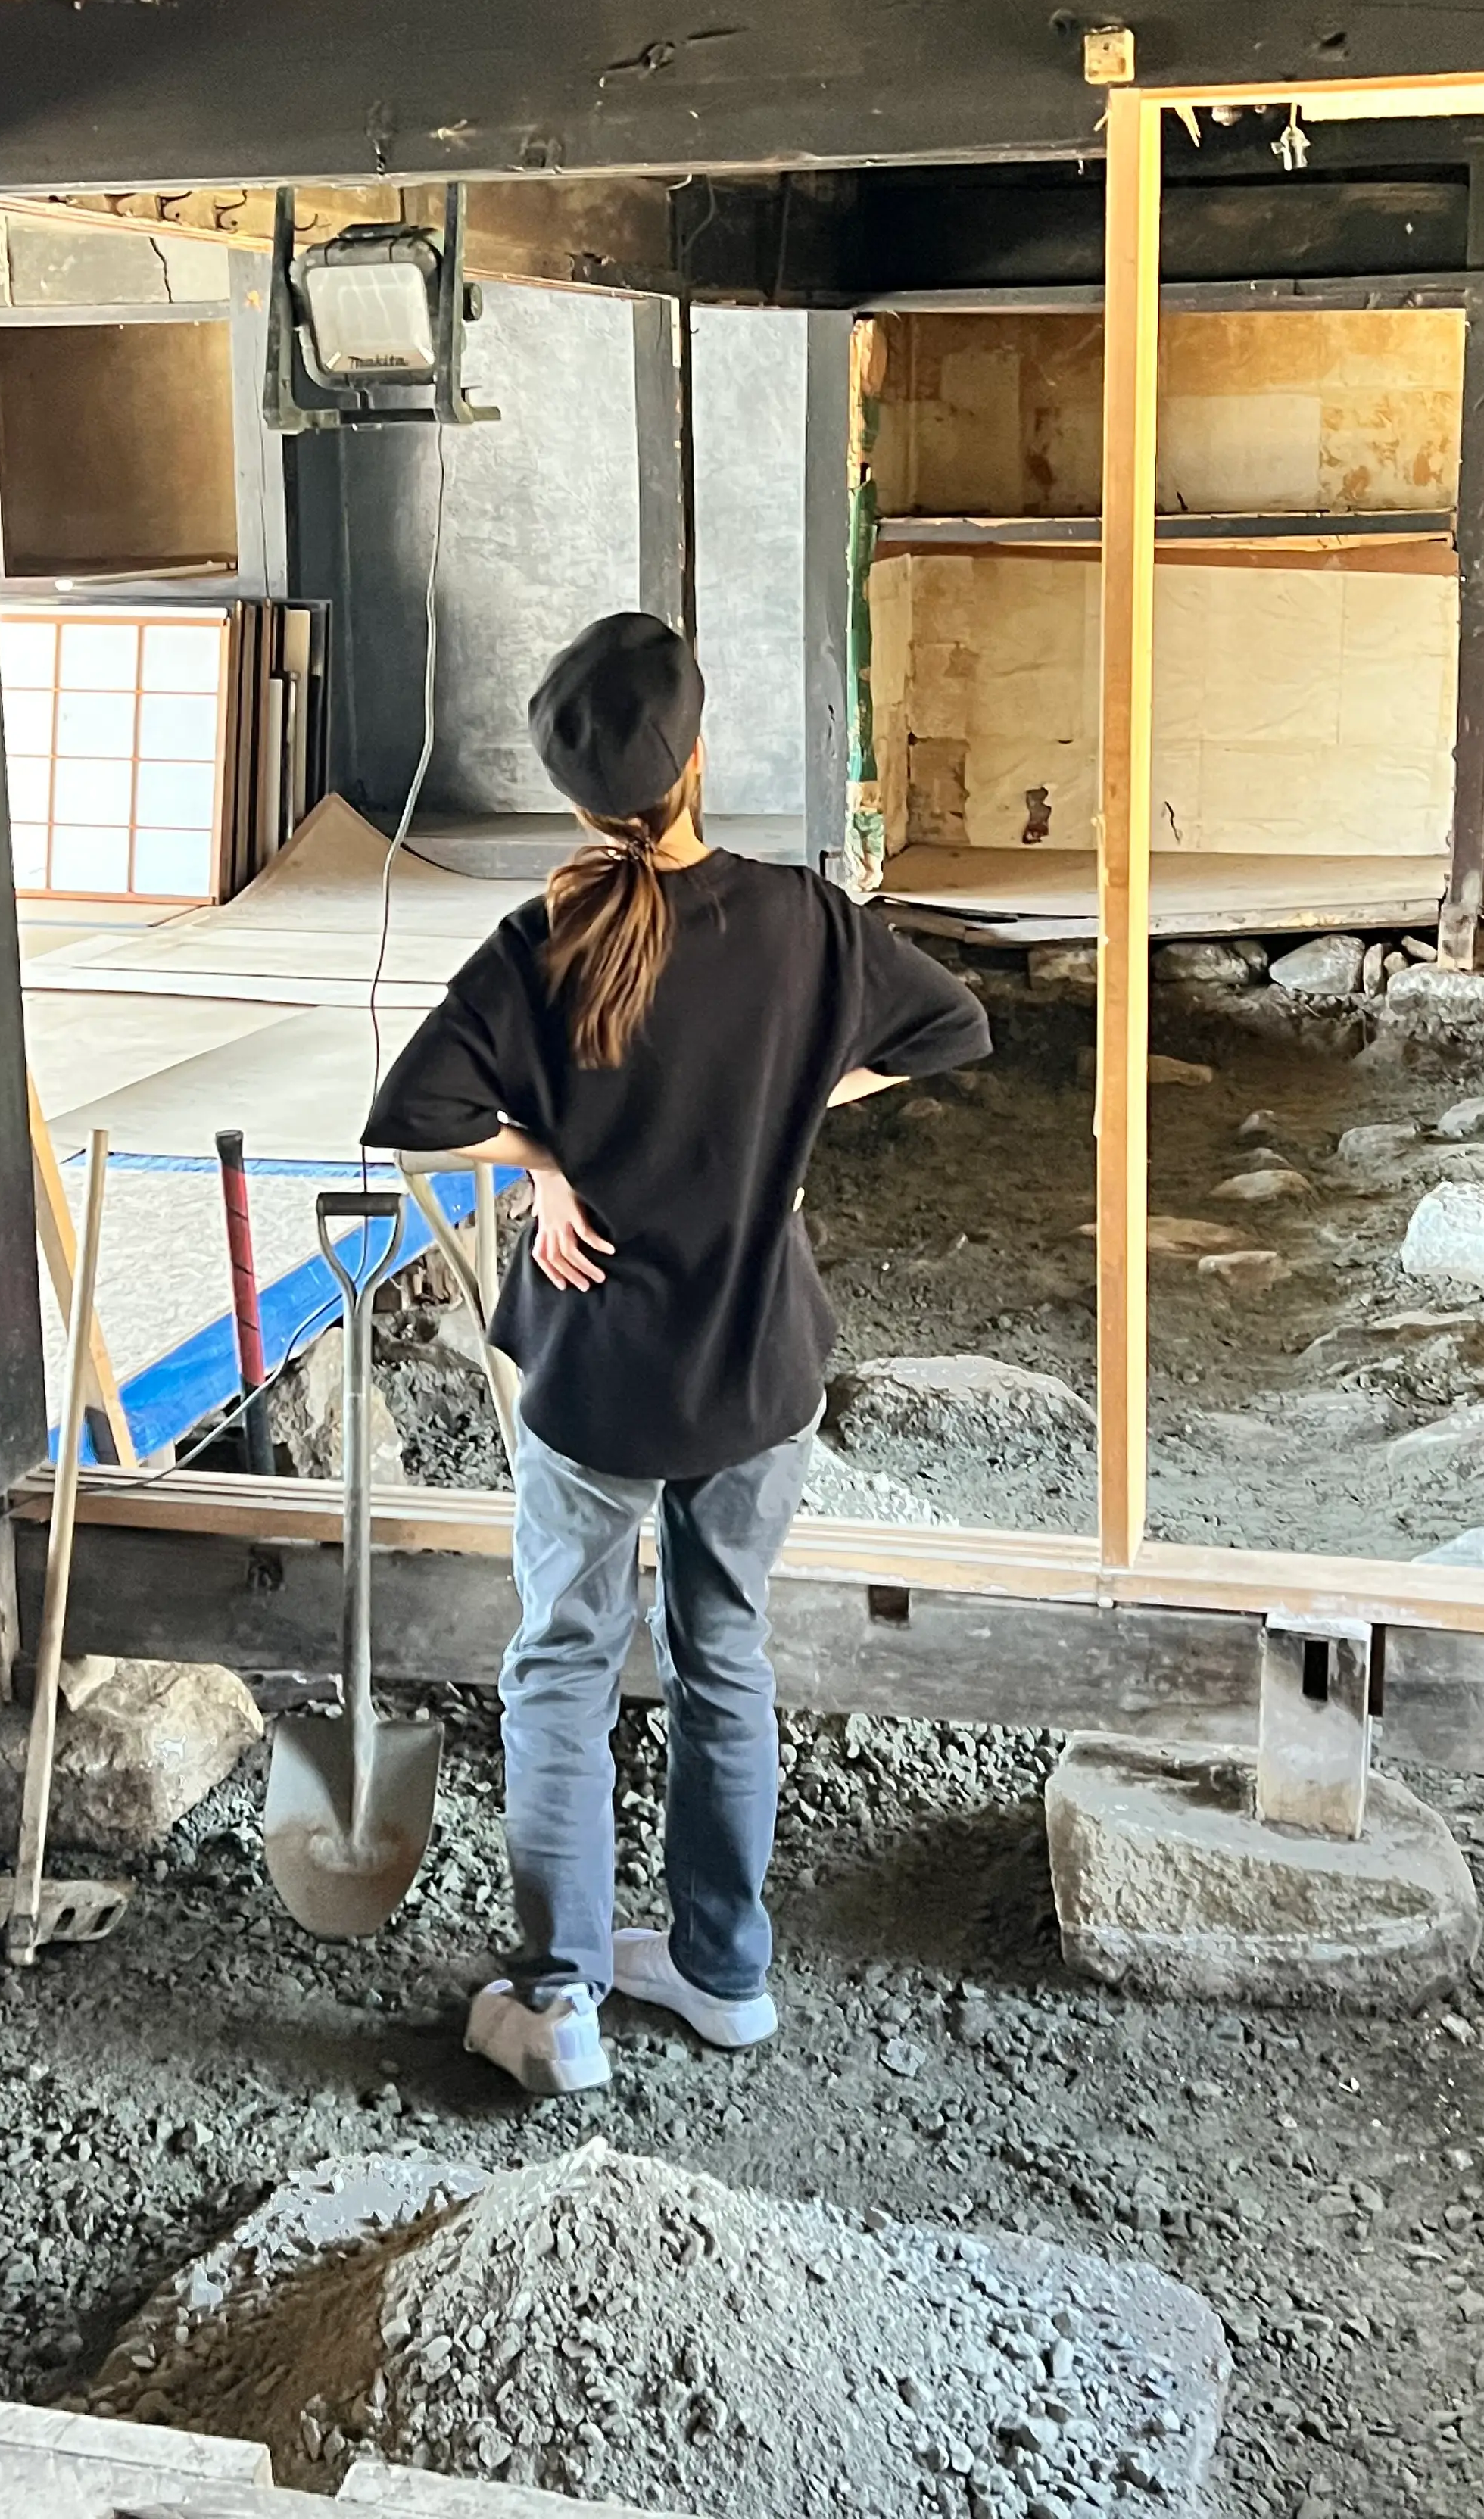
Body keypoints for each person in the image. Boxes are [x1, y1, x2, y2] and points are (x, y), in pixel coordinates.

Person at [363, 609, 990, 2094]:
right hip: (756, 1368)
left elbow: (411, 1115)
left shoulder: (543, 941)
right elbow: (953, 1028)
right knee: (726, 1660)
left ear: (573, 802)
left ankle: (561, 1998)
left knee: (564, 1668)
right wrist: (790, 1109)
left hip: (597, 1379)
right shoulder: (806, 921)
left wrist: (542, 1167)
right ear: (701, 757)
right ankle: (725, 1974)